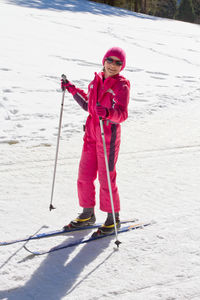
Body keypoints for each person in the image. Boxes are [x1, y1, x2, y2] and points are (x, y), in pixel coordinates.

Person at [61, 47, 130, 235]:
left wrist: (108, 113)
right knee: (84, 176)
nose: (113, 65)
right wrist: (72, 89)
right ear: (104, 60)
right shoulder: (95, 82)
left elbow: (122, 114)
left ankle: (113, 218)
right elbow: (88, 105)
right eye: (110, 60)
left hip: (108, 137)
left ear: (121, 66)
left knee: (106, 179)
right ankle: (87, 214)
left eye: (118, 63)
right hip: (91, 135)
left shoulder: (121, 86)